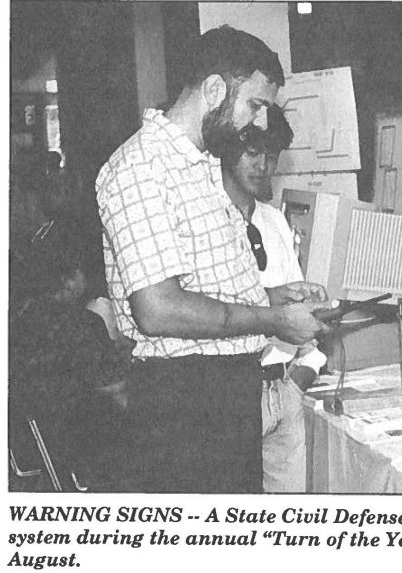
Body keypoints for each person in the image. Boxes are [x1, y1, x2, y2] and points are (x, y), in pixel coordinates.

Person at [94, 26, 333, 493]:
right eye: (256, 105)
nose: (261, 124)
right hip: (183, 406)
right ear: (214, 90)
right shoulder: (139, 169)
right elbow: (159, 310)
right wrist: (274, 318)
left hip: (226, 395)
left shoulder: (203, 164)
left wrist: (272, 296)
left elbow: (207, 296)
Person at [221, 105, 326, 492]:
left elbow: (297, 323)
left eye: (271, 155)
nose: (262, 165)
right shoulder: (209, 221)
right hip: (233, 394)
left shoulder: (274, 220)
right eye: (252, 153)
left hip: (283, 389)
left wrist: (299, 377)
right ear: (227, 151)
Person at [8, 207, 132, 490]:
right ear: (67, 278)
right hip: (83, 444)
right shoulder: (81, 323)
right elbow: (114, 388)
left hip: (34, 438)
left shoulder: (18, 318)